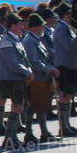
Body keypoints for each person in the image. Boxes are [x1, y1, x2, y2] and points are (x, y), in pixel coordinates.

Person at [0, 14, 34, 150]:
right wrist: (27, 72)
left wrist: (28, 70)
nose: (22, 27)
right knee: (16, 106)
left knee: (18, 107)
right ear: (12, 25)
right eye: (19, 24)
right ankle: (9, 138)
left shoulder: (17, 40)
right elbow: (12, 63)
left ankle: (12, 137)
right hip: (10, 78)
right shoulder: (6, 41)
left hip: (18, 78)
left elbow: (24, 58)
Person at [23, 13, 60, 141]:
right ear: (35, 27)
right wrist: (49, 69)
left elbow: (45, 57)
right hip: (36, 78)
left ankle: (44, 132)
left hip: (43, 78)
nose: (43, 28)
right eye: (41, 26)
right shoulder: (29, 41)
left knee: (41, 106)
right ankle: (29, 133)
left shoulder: (38, 40)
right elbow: (34, 62)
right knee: (33, 106)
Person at [52, 2, 77, 137]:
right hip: (64, 65)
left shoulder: (68, 28)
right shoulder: (61, 28)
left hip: (72, 65)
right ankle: (63, 127)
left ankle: (67, 125)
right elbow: (69, 46)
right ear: (66, 15)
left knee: (69, 95)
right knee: (64, 96)